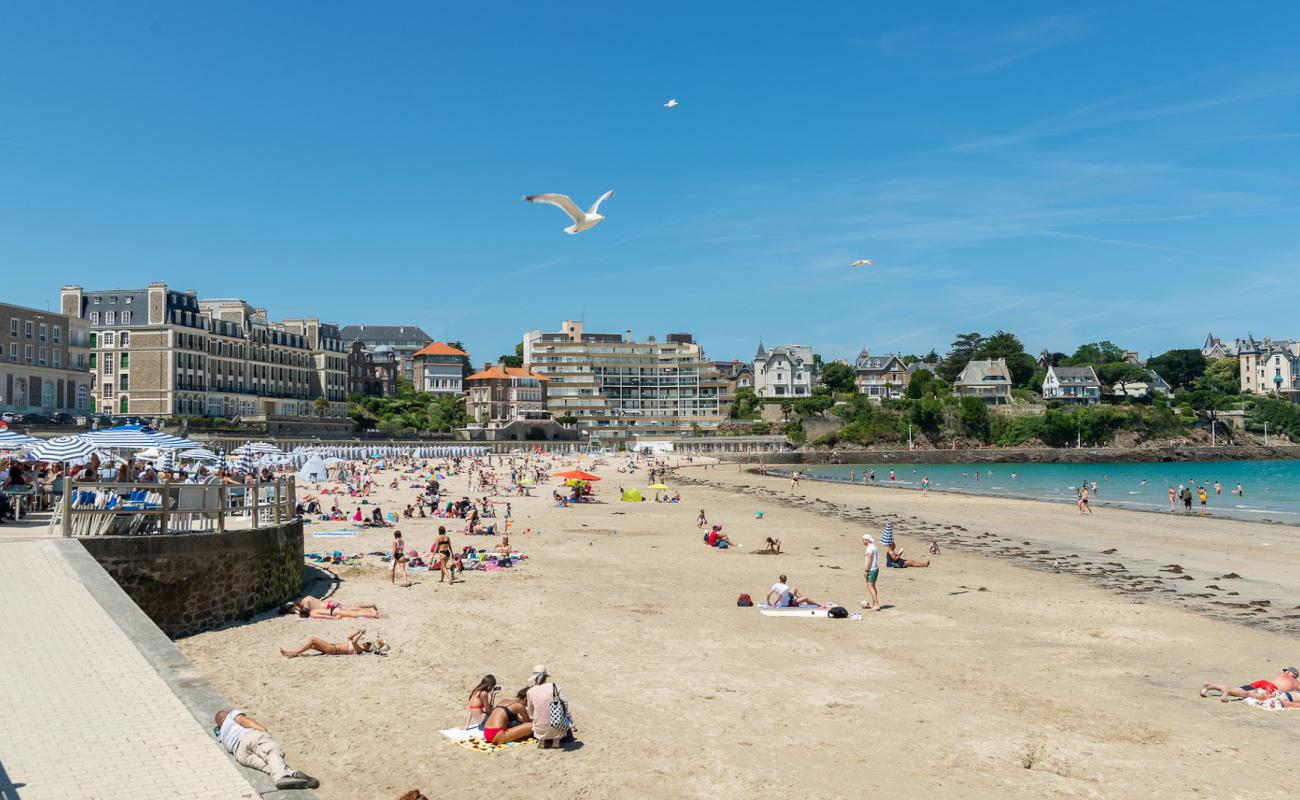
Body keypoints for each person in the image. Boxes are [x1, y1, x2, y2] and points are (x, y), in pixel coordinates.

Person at [214, 708, 319, 790]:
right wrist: (262, 730)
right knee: (272, 752)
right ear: (225, 715)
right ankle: (281, 778)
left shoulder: (222, 735)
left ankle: (293, 774)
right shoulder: (231, 715)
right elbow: (243, 720)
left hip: (240, 754)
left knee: (268, 766)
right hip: (248, 737)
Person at [526, 665, 576, 747]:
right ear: (546, 676)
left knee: (538, 718)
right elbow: (565, 703)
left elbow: (530, 711)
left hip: (539, 728)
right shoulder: (554, 686)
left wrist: (534, 717)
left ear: (534, 678)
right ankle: (556, 742)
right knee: (559, 719)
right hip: (557, 725)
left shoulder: (530, 691)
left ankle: (541, 741)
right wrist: (563, 713)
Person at [1201, 667, 1299, 701]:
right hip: (1271, 688)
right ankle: (1228, 692)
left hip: (1264, 682)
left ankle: (1211, 686)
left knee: (1241, 689)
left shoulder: (1281, 674)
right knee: (1249, 694)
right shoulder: (1295, 682)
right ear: (1294, 675)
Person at [280, 629, 386, 657]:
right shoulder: (359, 646)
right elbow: (349, 637)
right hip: (331, 647)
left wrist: (361, 634)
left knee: (313, 639)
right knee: (311, 645)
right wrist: (357, 631)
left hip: (332, 650)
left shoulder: (359, 650)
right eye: (367, 642)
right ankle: (295, 652)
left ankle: (295, 653)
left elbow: (353, 641)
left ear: (367, 649)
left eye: (368, 644)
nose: (366, 643)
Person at [863, 533, 881, 611]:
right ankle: (874, 603)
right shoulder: (874, 547)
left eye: (863, 540)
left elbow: (869, 559)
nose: (863, 541)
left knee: (870, 586)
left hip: (871, 570)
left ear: (867, 540)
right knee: (872, 586)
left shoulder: (870, 548)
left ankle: (876, 604)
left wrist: (866, 570)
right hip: (875, 569)